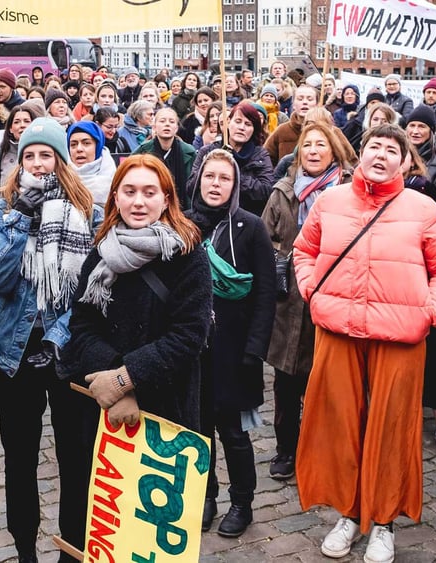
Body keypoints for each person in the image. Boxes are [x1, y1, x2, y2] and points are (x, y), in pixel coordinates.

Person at [294, 124, 436, 561]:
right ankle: (350, 512)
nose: (382, 154)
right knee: (339, 424)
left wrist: (427, 311)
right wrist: (313, 290)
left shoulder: (422, 208)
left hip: (399, 337)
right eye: (375, 146)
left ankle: (384, 519)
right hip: (337, 330)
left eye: (394, 150)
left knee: (392, 428)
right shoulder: (330, 201)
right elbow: (303, 251)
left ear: (406, 163)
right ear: (360, 153)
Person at [61, 152, 211, 533]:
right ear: (115, 197)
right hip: (104, 410)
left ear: (166, 199)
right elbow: (82, 323)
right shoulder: (102, 251)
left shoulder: (188, 254)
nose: (138, 201)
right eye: (129, 191)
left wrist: (128, 379)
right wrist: (114, 385)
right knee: (106, 523)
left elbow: (189, 335)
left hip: (167, 409)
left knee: (149, 532)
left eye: (149, 192)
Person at [0, 118, 101, 563]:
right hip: (15, 351)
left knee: (76, 456)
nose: (38, 162)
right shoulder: (1, 209)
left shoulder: (89, 210)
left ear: (61, 160)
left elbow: (93, 287)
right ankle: (24, 546)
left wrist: (61, 334)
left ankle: (72, 547)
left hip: (68, 352)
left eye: (46, 154)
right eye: (30, 155)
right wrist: (20, 221)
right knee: (20, 457)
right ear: (19, 160)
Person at [185, 149, 276, 537]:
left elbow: (266, 293)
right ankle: (206, 496)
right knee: (197, 429)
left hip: (234, 349)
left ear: (235, 184)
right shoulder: (184, 225)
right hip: (191, 352)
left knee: (234, 433)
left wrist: (254, 349)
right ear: (198, 180)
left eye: (224, 178)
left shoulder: (250, 227)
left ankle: (243, 501)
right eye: (210, 177)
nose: (216, 184)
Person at [262, 122, 353, 482]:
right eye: (307, 145)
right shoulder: (283, 192)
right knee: (286, 382)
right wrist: (278, 262)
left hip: (333, 298)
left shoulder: (348, 192)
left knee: (329, 380)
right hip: (289, 302)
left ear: (333, 151)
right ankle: (286, 448)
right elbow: (266, 238)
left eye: (321, 145)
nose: (313, 151)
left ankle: (325, 448)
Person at [191, 102, 275, 217]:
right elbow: (191, 186)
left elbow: (265, 191)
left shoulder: (260, 155)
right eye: (238, 121)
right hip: (209, 217)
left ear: (254, 129)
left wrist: (234, 175)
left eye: (248, 124)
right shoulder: (207, 151)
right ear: (228, 123)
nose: (241, 127)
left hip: (246, 220)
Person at [0, 104, 42, 218]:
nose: (22, 125)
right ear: (10, 128)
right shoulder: (0, 155)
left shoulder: (46, 154)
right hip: (5, 217)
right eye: (17, 122)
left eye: (26, 121)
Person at [132, 107, 196, 208]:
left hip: (183, 209)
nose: (167, 124)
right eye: (162, 121)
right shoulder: (141, 152)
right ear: (154, 126)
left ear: (176, 128)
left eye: (171, 121)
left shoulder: (190, 152)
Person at [265, 84, 318, 167]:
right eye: (300, 99)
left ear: (317, 104)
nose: (304, 102)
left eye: (309, 99)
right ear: (293, 105)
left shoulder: (330, 131)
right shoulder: (282, 131)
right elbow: (266, 159)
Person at [67, 121, 116, 207]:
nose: (79, 149)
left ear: (97, 146)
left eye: (86, 143)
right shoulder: (59, 179)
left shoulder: (115, 181)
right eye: (73, 144)